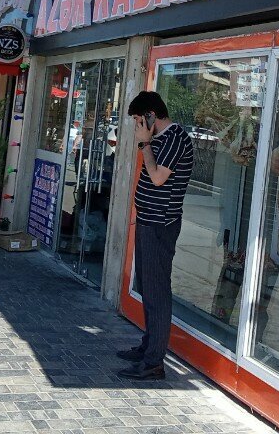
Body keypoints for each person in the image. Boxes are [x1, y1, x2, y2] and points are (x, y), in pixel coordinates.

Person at [117, 91, 194, 381]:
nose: (137, 126)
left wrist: (145, 143)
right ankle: (148, 347)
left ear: (151, 115)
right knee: (148, 288)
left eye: (139, 120)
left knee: (157, 292)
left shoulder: (175, 138)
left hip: (161, 224)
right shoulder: (159, 138)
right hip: (148, 221)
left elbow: (158, 177)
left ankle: (153, 363)